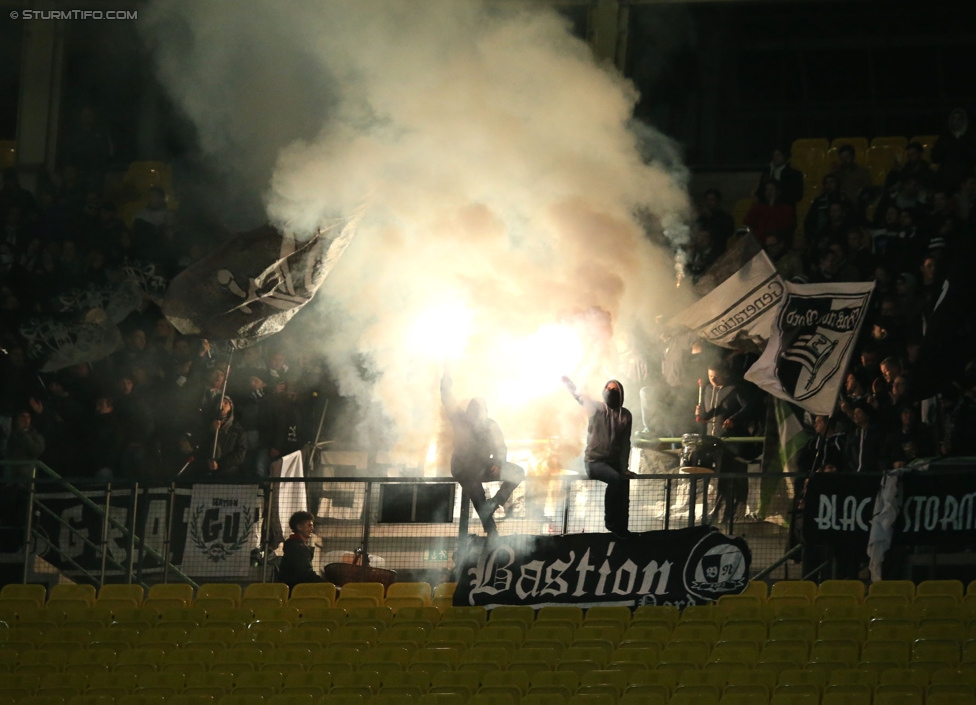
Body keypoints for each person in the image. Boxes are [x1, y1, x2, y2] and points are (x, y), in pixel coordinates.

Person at [441, 372, 524, 537]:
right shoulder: (460, 419)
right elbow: (447, 399)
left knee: (517, 472)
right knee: (477, 495)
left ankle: (494, 503)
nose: (478, 413)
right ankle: (491, 531)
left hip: (484, 466)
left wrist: (499, 463)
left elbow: (501, 447)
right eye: (475, 410)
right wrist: (445, 383)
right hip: (464, 469)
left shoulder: (490, 425)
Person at [562, 377, 634, 539]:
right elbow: (580, 397)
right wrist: (569, 383)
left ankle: (622, 528)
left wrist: (624, 468)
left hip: (614, 463)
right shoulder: (597, 409)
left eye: (614, 389)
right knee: (616, 480)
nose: (611, 391)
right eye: (608, 388)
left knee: (624, 484)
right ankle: (611, 523)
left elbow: (625, 443)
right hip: (594, 462)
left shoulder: (626, 415)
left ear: (621, 394)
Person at [279, 510, 327, 588]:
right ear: (299, 527)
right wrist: (327, 585)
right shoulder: (297, 548)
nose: (312, 528)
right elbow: (306, 574)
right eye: (309, 525)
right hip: (295, 592)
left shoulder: (294, 546)